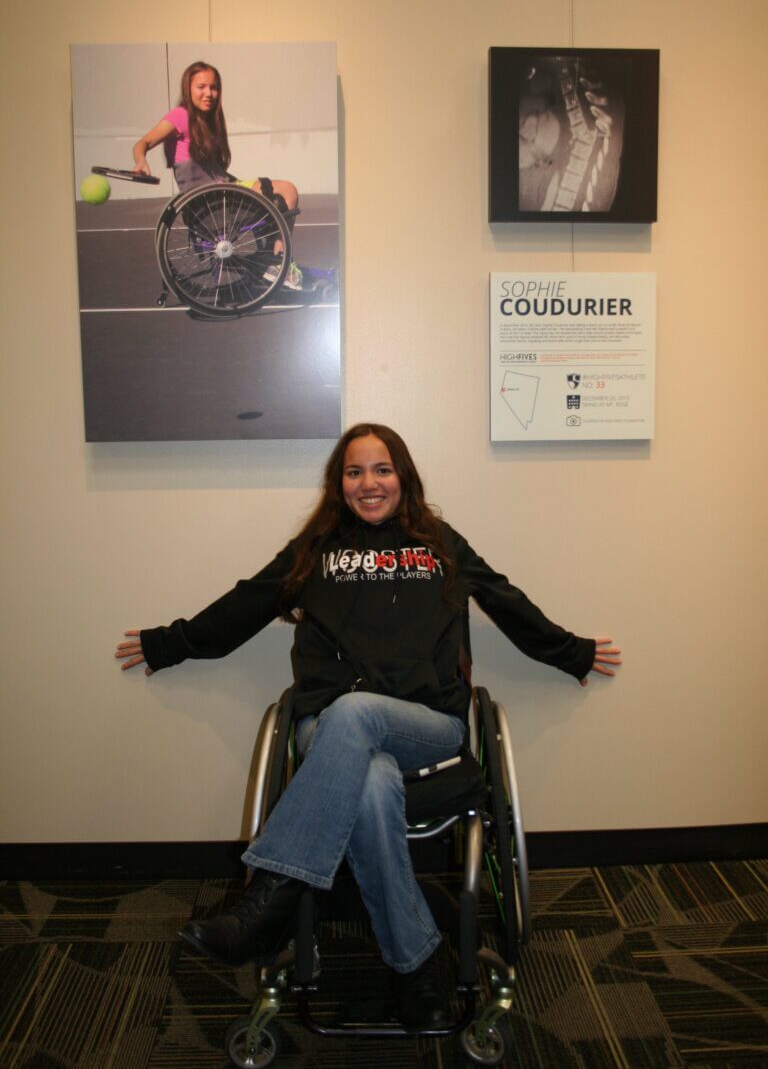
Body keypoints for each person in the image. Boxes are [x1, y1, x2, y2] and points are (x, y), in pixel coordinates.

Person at [115, 423, 621, 1029]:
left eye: (382, 469)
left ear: (403, 477)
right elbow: (246, 604)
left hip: (427, 726)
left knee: (357, 714)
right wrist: (168, 644)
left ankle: (271, 893)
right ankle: (417, 970)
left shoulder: (439, 544)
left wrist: (573, 653)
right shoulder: (317, 549)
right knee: (371, 774)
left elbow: (506, 600)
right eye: (355, 472)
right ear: (340, 484)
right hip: (330, 731)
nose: (369, 483)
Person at [132, 60, 302, 289]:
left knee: (286, 191)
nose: (208, 93)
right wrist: (141, 161)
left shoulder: (209, 121)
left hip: (221, 193)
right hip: (213, 203)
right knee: (284, 193)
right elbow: (144, 142)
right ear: (188, 88)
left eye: (213, 87)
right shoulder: (181, 116)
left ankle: (274, 260)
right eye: (201, 87)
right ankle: (276, 261)